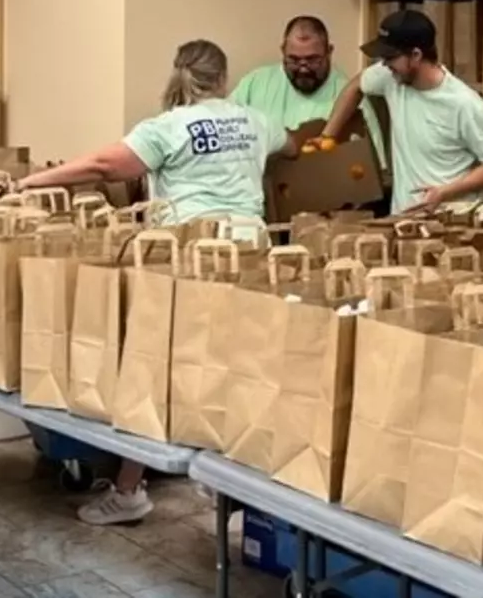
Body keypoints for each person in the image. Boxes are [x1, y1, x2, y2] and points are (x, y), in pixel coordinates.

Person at [18, 39, 296, 525]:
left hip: (192, 256)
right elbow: (292, 144)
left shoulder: (168, 128)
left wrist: (31, 182)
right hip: (252, 254)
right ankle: (230, 481)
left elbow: (104, 166)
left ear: (178, 73)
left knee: (158, 366)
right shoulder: (254, 120)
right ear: (224, 79)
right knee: (239, 365)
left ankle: (129, 491)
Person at [319, 9, 483, 214]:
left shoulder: (463, 103)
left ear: (416, 55)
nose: (384, 64)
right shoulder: (391, 78)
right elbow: (356, 86)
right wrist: (327, 137)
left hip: (449, 222)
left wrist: (444, 192)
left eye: (390, 57)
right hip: (402, 220)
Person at [231, 15, 384, 161]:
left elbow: (374, 168)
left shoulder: (352, 99)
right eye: (294, 60)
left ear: (329, 52)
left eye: (312, 60)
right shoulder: (254, 84)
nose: (303, 69)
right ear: (283, 50)